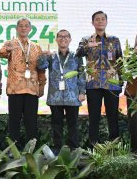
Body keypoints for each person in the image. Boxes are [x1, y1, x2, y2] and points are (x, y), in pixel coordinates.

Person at [75, 11, 123, 146]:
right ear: (93, 23)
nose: (100, 21)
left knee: (113, 116)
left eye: (103, 19)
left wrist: (121, 82)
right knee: (94, 117)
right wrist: (87, 47)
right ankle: (93, 146)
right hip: (93, 84)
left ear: (106, 22)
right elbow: (77, 54)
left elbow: (120, 61)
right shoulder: (86, 39)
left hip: (112, 84)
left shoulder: (114, 40)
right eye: (97, 19)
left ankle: (114, 146)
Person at [0, 18, 46, 145]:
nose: (23, 28)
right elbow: (1, 54)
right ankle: (13, 149)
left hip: (32, 88)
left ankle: (31, 148)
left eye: (26, 26)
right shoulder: (10, 44)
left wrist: (42, 85)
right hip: (15, 88)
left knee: (31, 121)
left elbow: (41, 68)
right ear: (16, 28)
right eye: (20, 26)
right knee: (14, 120)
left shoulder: (36, 47)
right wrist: (7, 50)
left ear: (30, 29)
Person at [38, 29, 86, 151]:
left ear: (70, 39)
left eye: (66, 36)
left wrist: (82, 91)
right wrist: (43, 56)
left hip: (72, 96)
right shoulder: (52, 56)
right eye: (60, 36)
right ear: (56, 39)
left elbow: (81, 73)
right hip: (55, 96)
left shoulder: (76, 56)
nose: (63, 38)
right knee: (56, 124)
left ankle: (73, 147)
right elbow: (41, 66)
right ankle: (57, 147)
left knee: (73, 124)